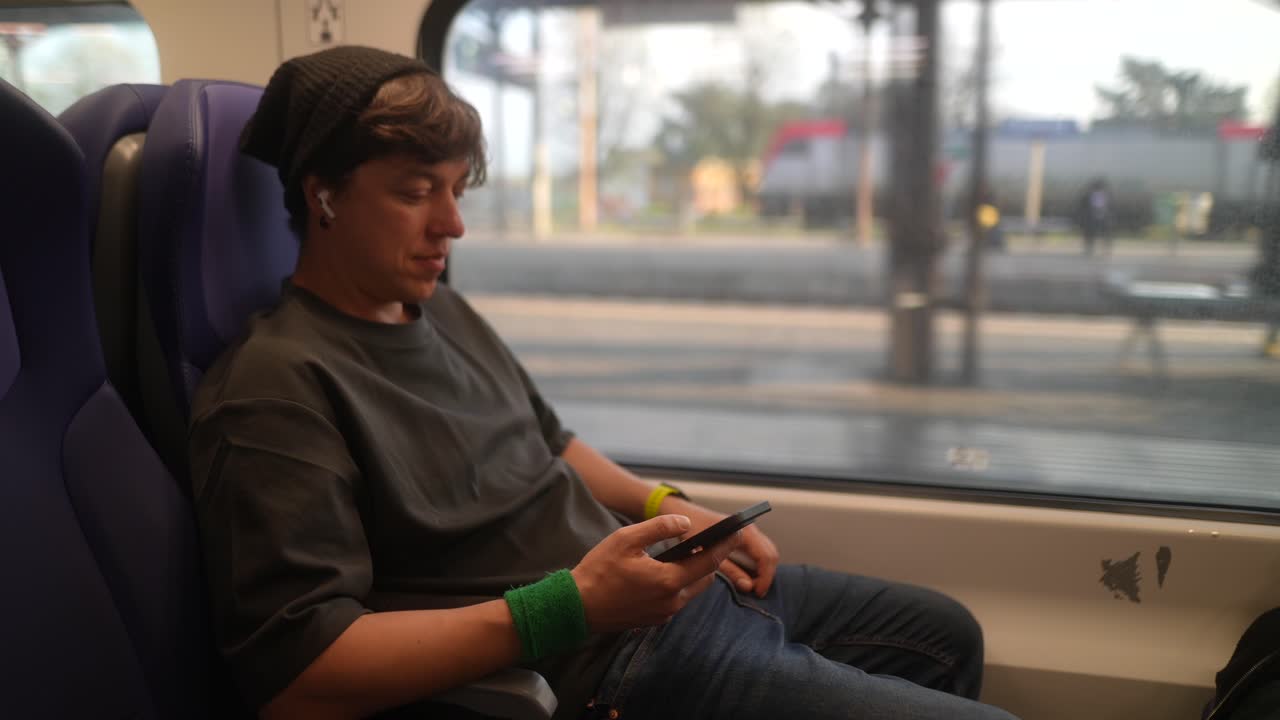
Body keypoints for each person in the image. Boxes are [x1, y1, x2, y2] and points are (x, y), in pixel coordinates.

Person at [189, 46, 1019, 720]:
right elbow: (301, 677)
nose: (452, 224)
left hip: (653, 597)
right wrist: (573, 608)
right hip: (605, 665)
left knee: (949, 635)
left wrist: (665, 509)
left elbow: (547, 443)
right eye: (415, 193)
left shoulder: (437, 309)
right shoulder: (275, 387)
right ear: (323, 193)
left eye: (454, 190)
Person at [1079, 178, 1112, 256]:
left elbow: (1110, 207)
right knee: (1091, 234)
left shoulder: (1106, 195)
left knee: (1104, 234)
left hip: (1101, 217)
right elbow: (1083, 207)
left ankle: (1104, 249)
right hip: (1093, 218)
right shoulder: (1089, 195)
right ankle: (1090, 249)